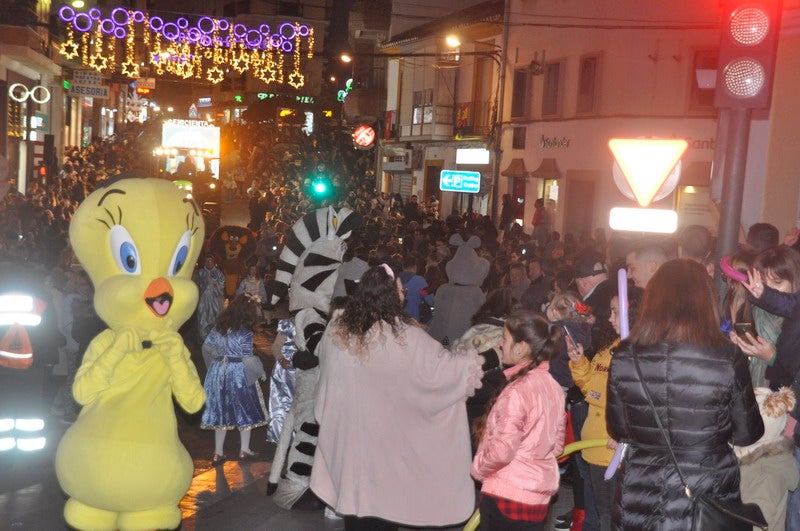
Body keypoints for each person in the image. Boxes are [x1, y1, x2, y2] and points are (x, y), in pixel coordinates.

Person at [310, 265, 483, 530]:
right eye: (401, 290)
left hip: (350, 444)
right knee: (380, 511)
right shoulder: (406, 338)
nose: (404, 295)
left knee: (356, 515)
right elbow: (444, 372)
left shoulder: (337, 332)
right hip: (383, 451)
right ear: (389, 296)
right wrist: (477, 358)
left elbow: (327, 375)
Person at [606, 259, 764, 530]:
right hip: (706, 487)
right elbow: (747, 433)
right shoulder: (727, 357)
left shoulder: (624, 356)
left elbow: (619, 429)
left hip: (642, 488)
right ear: (706, 301)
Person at [471, 309, 566, 530]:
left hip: (505, 495)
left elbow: (503, 450)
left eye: (504, 338)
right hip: (536, 497)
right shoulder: (553, 387)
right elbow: (557, 445)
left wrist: (478, 469)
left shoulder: (517, 391)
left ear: (521, 347)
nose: (501, 344)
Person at [568, 287, 644, 531]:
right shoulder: (611, 347)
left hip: (614, 453)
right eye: (611, 311)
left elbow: (642, 401)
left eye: (615, 311)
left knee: (611, 519)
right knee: (600, 513)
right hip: (594, 445)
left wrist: (623, 432)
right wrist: (579, 363)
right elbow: (592, 389)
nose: (610, 318)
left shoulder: (642, 352)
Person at [200, 292, 268, 465]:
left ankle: (218, 452)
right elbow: (248, 358)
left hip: (219, 370)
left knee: (221, 410)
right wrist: (260, 372)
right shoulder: (245, 332)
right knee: (244, 409)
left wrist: (217, 358)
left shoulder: (220, 326)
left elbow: (206, 346)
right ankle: (244, 450)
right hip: (237, 372)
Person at [195, 255, 226, 341]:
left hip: (215, 298)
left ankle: (215, 337)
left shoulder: (218, 272)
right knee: (203, 316)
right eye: (207, 261)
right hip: (203, 298)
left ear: (213, 262)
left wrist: (217, 285)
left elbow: (222, 283)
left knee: (215, 315)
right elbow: (197, 283)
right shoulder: (201, 272)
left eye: (210, 261)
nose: (209, 263)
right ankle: (203, 337)